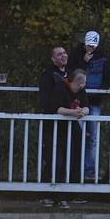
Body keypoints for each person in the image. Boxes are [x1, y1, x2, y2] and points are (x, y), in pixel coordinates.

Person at [68, 30, 110, 180]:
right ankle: (73, 169)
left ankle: (89, 170)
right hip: (78, 101)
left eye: (93, 46)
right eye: (89, 45)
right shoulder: (76, 53)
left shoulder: (103, 55)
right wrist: (84, 61)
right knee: (76, 136)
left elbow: (109, 72)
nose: (91, 48)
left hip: (95, 101)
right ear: (84, 43)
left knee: (93, 137)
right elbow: (72, 72)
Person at [38, 46, 69, 199]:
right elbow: (45, 101)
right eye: (59, 54)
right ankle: (47, 194)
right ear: (53, 59)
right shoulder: (48, 75)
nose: (63, 56)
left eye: (64, 53)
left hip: (67, 125)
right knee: (52, 159)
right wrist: (59, 110)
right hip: (52, 124)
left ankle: (61, 195)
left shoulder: (71, 74)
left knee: (65, 160)